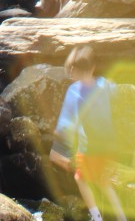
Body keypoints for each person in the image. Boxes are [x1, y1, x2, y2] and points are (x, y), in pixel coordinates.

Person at [50, 44, 126, 221]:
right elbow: (116, 94)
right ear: (93, 67)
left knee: (80, 179)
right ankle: (122, 217)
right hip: (109, 145)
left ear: (74, 70)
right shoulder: (104, 84)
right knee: (104, 182)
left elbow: (66, 123)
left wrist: (58, 134)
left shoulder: (74, 91)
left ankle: (96, 217)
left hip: (90, 148)